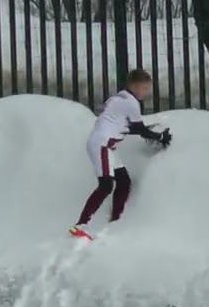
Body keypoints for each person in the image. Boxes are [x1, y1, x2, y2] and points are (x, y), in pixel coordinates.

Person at [70, 69, 171, 240]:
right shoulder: (131, 102)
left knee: (124, 182)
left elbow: (124, 127)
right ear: (135, 86)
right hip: (102, 144)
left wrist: (151, 133)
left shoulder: (119, 98)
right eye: (145, 88)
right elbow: (139, 129)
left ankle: (116, 221)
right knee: (106, 185)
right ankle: (80, 224)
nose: (147, 92)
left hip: (106, 146)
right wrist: (159, 137)